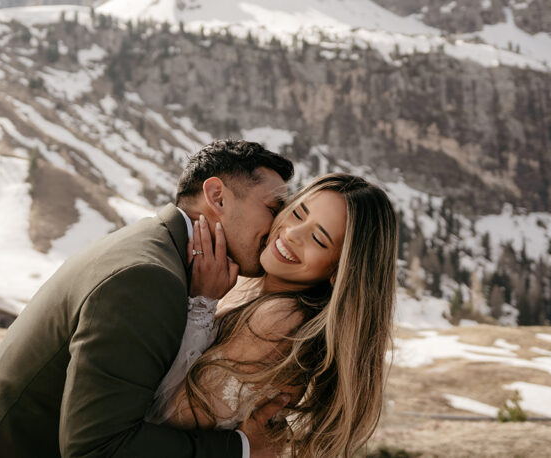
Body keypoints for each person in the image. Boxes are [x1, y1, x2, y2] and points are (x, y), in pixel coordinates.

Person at [0, 139, 294, 458]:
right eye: (274, 208)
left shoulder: (157, 250)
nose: (282, 226)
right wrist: (242, 449)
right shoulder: (146, 277)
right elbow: (98, 448)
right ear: (217, 196)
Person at [148, 173, 399, 458]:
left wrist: (201, 304)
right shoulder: (253, 287)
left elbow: (170, 420)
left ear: (338, 271)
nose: (292, 233)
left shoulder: (280, 319)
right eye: (297, 213)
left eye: (318, 239)